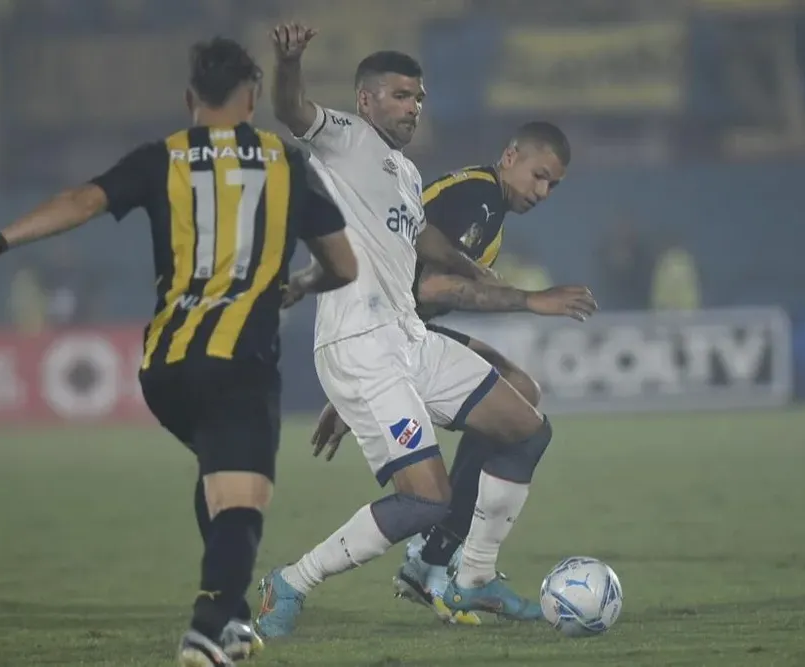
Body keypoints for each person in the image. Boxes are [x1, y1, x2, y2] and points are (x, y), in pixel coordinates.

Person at [0, 37, 357, 667]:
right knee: (242, 498)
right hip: (238, 361)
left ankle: (233, 619)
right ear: (254, 97)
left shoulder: (164, 158)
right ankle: (209, 629)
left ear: (190, 100)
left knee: (220, 473)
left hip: (165, 368)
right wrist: (302, 285)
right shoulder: (285, 163)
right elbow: (343, 264)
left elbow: (82, 200)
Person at [255, 23, 597, 638]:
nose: (413, 107)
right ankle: (291, 582)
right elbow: (290, 110)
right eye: (400, 95)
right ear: (367, 100)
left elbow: (423, 240)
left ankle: (473, 577)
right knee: (427, 499)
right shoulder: (345, 140)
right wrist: (288, 62)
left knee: (526, 429)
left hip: (408, 339)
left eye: (418, 97)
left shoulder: (408, 175)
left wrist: (468, 263)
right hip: (362, 345)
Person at [310, 122, 586, 626]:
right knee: (518, 399)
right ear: (510, 156)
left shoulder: (488, 209)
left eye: (554, 186)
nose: (543, 192)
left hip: (397, 338)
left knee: (520, 395)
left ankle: (438, 555)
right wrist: (528, 301)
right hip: (382, 333)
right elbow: (433, 287)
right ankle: (435, 557)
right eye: (539, 176)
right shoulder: (475, 195)